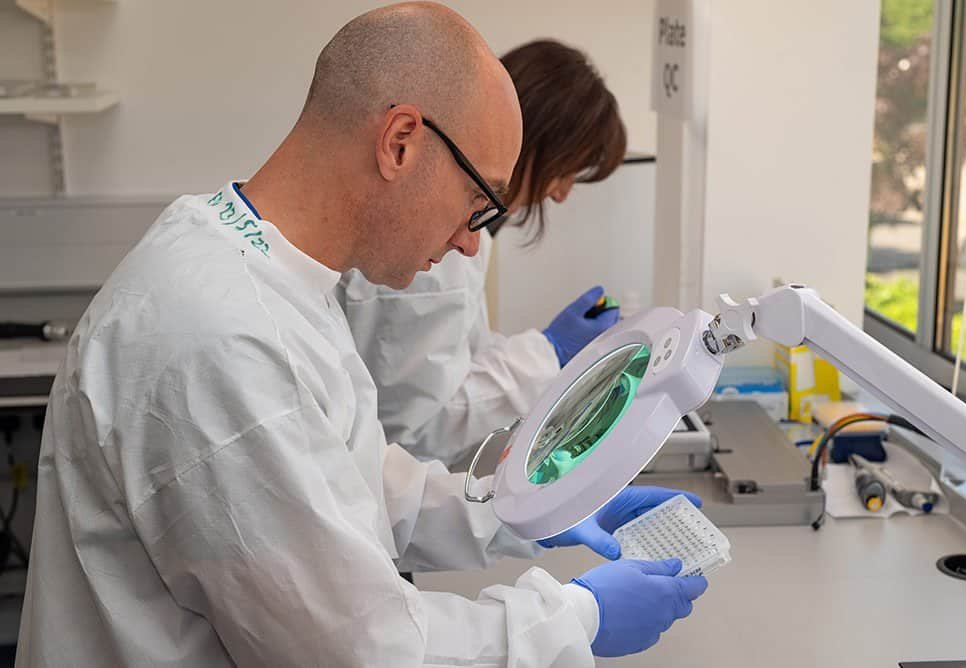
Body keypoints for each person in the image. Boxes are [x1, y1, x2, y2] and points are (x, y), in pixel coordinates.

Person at [16, 4, 707, 666]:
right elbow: (355, 648)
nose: (472, 244)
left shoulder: (271, 270)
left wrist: (516, 509)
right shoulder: (221, 336)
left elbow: (356, 477)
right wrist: (575, 617)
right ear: (400, 142)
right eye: (477, 203)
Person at [335, 39, 627, 467]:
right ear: (534, 138)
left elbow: (451, 362)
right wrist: (547, 351)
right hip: (402, 504)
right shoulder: (433, 247)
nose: (561, 194)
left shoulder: (466, 233)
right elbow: (415, 430)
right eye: (565, 171)